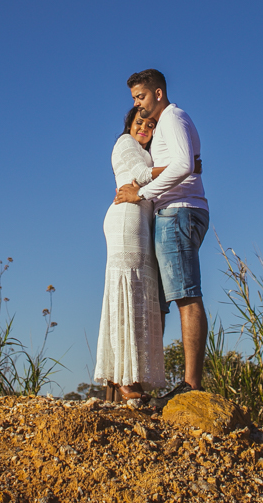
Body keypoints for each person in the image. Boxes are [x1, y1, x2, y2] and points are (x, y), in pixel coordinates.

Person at [114, 68, 208, 404]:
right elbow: (186, 163)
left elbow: (183, 165)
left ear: (158, 93)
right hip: (173, 213)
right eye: (133, 99)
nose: (137, 105)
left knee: (186, 296)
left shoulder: (171, 117)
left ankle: (191, 385)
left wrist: (141, 193)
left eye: (140, 96)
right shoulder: (166, 124)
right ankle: (149, 377)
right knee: (163, 301)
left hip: (178, 211)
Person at [93, 106, 167, 402]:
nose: (144, 129)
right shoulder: (125, 142)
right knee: (127, 291)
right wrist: (182, 166)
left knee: (139, 295)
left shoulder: (145, 150)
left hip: (141, 221)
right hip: (126, 220)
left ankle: (129, 374)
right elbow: (141, 175)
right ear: (129, 124)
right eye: (140, 123)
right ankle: (123, 376)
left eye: (150, 125)